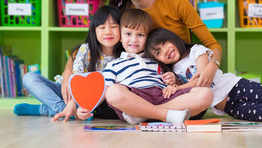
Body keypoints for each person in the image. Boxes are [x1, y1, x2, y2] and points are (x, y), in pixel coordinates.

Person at [145, 28, 262, 122]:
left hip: (237, 88)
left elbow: (201, 79)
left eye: (164, 44)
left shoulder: (196, 51)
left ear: (173, 38)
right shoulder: (175, 70)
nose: (165, 51)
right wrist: (173, 81)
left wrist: (177, 87)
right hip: (228, 107)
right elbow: (189, 93)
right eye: (158, 53)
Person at [109, 0, 222, 87]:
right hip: (142, 87)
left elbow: (213, 45)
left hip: (183, 86)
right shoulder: (121, 14)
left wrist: (211, 67)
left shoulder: (175, 2)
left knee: (202, 95)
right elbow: (93, 47)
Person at [82, 9, 213, 124]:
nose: (133, 40)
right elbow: (103, 90)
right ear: (120, 37)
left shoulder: (157, 58)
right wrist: (86, 107)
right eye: (128, 34)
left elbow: (176, 84)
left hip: (164, 97)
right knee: (113, 92)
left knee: (206, 94)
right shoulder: (114, 64)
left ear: (148, 38)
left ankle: (144, 114)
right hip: (136, 97)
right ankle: (164, 115)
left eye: (140, 35)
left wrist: (173, 80)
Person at [14, 5, 123, 121]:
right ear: (94, 31)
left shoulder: (125, 55)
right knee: (29, 78)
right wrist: (71, 102)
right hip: (69, 93)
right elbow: (76, 77)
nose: (108, 32)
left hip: (95, 102)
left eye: (113, 26)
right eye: (102, 27)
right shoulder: (85, 49)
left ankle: (44, 110)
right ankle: (65, 110)